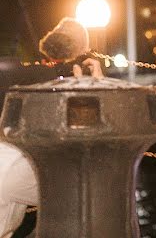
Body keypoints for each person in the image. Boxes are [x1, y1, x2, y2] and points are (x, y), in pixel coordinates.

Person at [0, 18, 103, 238]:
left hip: (9, 159)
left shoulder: (25, 75)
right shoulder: (71, 79)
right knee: (89, 194)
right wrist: (96, 82)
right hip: (17, 167)